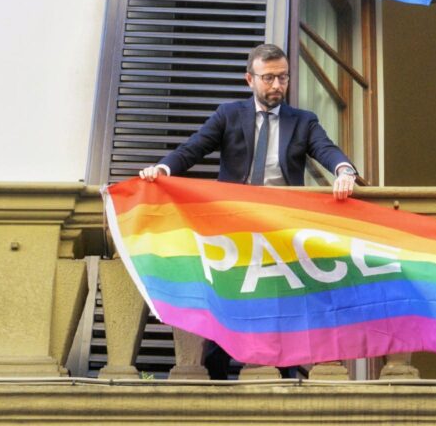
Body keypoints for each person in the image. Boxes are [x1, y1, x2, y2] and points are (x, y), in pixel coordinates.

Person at [139, 43, 358, 378]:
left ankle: (283, 378)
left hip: (280, 231)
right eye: (268, 78)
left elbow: (326, 149)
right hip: (234, 230)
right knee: (228, 307)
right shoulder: (228, 115)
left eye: (283, 77)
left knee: (280, 310)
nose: (277, 85)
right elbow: (192, 148)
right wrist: (163, 169)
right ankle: (217, 380)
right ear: (249, 79)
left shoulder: (303, 121)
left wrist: (344, 171)